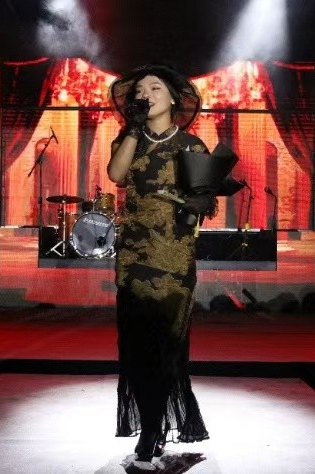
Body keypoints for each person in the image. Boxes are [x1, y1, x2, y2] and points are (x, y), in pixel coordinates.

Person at [107, 64, 215, 465]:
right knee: (136, 345)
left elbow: (205, 200)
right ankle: (151, 427)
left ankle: (153, 429)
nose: (146, 94)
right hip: (134, 256)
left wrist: (197, 202)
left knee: (167, 345)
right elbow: (116, 175)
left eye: (155, 88)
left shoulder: (192, 146)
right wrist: (133, 130)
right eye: (140, 90)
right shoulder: (128, 139)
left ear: (172, 98)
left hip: (174, 255)